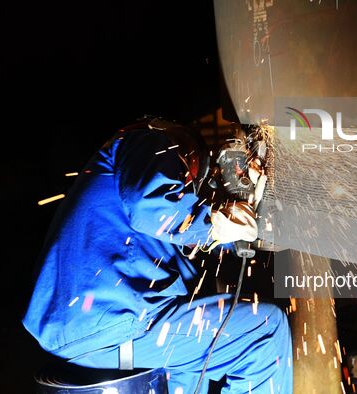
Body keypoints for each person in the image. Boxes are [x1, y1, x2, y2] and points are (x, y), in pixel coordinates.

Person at [23, 118, 293, 393]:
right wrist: (212, 224)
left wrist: (236, 222)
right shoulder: (149, 141)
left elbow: (183, 238)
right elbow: (152, 206)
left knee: (188, 370)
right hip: (112, 321)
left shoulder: (121, 191)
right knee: (264, 332)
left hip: (90, 326)